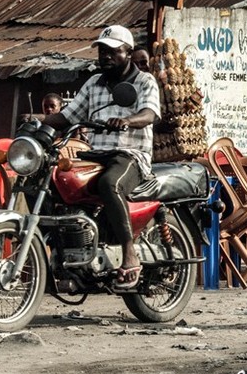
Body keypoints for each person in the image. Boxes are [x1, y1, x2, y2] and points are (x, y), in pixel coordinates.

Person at [46, 25, 162, 289]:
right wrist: (38, 121)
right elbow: (67, 116)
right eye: (102, 51)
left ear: (128, 53)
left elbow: (150, 114)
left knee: (109, 183)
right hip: (95, 155)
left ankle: (130, 254)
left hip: (131, 155)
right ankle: (64, 252)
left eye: (112, 51)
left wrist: (127, 120)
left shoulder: (144, 81)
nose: (105, 56)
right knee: (57, 180)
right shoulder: (93, 83)